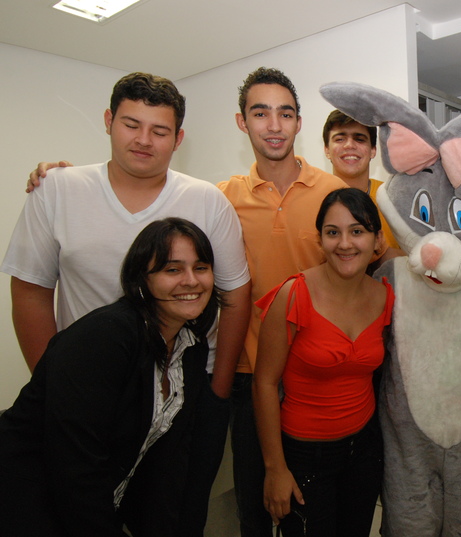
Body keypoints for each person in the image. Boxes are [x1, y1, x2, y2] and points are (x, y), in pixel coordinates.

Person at [6, 72, 251, 537]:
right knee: (80, 504)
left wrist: (217, 392)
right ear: (108, 121)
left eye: (159, 130)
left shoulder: (205, 200)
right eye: (131, 124)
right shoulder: (58, 189)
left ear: (178, 138)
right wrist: (61, 387)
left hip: (181, 388)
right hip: (87, 392)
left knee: (172, 512)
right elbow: (32, 290)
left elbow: (235, 295)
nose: (143, 140)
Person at [0, 217, 222, 536]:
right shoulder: (104, 337)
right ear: (141, 279)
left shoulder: (191, 347)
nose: (191, 281)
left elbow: (164, 465)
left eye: (201, 268)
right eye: (172, 270)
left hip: (91, 506)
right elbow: (74, 465)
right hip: (28, 506)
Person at [217, 67, 351, 536]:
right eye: (261, 113)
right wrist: (66, 180)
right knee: (254, 514)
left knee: (315, 515)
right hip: (250, 376)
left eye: (285, 113)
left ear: (298, 122)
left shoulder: (333, 193)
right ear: (242, 122)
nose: (274, 125)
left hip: (317, 378)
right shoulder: (220, 200)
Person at [252, 188, 392, 536]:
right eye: (333, 232)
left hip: (364, 451)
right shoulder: (294, 295)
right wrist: (275, 469)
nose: (344, 243)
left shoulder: (384, 296)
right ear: (320, 240)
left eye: (357, 231)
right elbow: (264, 383)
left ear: (377, 240)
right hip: (304, 457)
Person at [322, 109, 401, 251]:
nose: (349, 145)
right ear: (327, 150)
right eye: (340, 139)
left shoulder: (393, 199)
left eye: (359, 139)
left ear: (373, 150)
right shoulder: (313, 197)